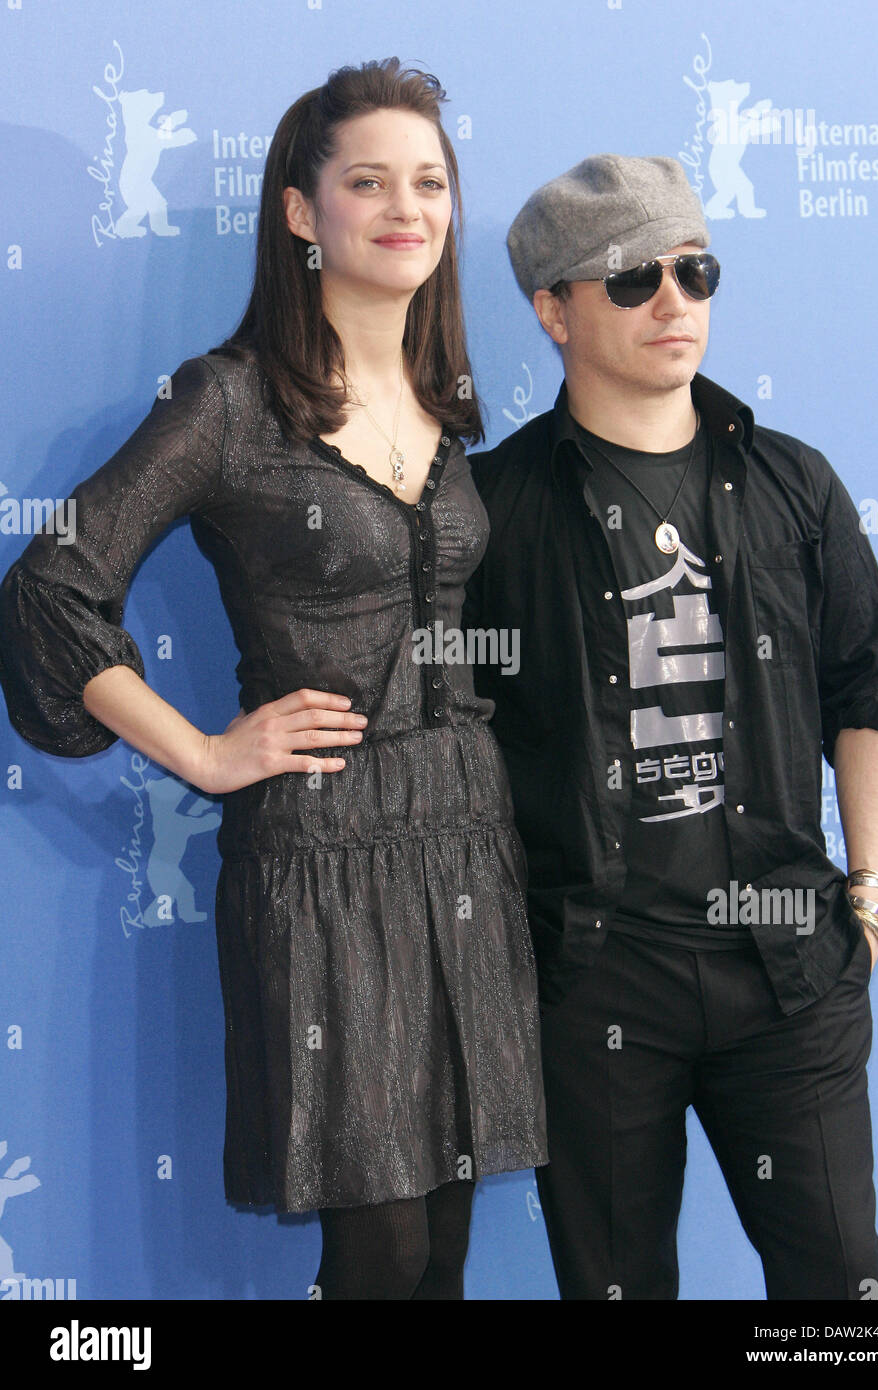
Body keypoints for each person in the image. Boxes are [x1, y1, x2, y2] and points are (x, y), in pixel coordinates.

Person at [0, 58, 546, 1300]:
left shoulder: (448, 406)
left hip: (468, 838)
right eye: (368, 182)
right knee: (381, 1246)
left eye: (429, 181)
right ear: (303, 213)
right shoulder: (228, 400)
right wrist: (202, 753)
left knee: (448, 1240)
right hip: (324, 849)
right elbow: (51, 590)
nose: (406, 207)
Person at [464, 154, 878, 1300]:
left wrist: (865, 895)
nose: (673, 300)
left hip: (789, 962)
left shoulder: (793, 483)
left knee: (837, 1286)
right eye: (630, 279)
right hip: (598, 979)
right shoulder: (490, 509)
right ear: (551, 310)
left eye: (694, 269)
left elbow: (870, 688)